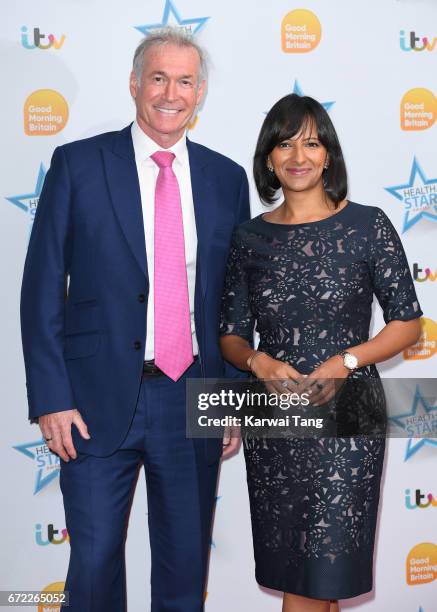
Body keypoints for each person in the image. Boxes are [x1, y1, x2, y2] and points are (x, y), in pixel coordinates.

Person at [20, 27, 249, 612]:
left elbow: (235, 300)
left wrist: (233, 401)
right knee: (93, 568)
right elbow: (42, 287)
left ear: (199, 94)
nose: (170, 93)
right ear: (133, 84)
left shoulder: (226, 179)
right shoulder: (77, 164)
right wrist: (51, 398)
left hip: (193, 396)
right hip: (92, 404)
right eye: (158, 77)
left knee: (182, 570)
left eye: (185, 81)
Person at [219, 93, 422, 612]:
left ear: (328, 154)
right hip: (275, 419)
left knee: (319, 575)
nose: (298, 156)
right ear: (268, 158)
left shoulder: (368, 225)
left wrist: (347, 361)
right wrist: (256, 362)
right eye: (284, 144)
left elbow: (408, 324)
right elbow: (232, 334)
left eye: (311, 143)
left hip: (349, 414)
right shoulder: (249, 237)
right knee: (305, 575)